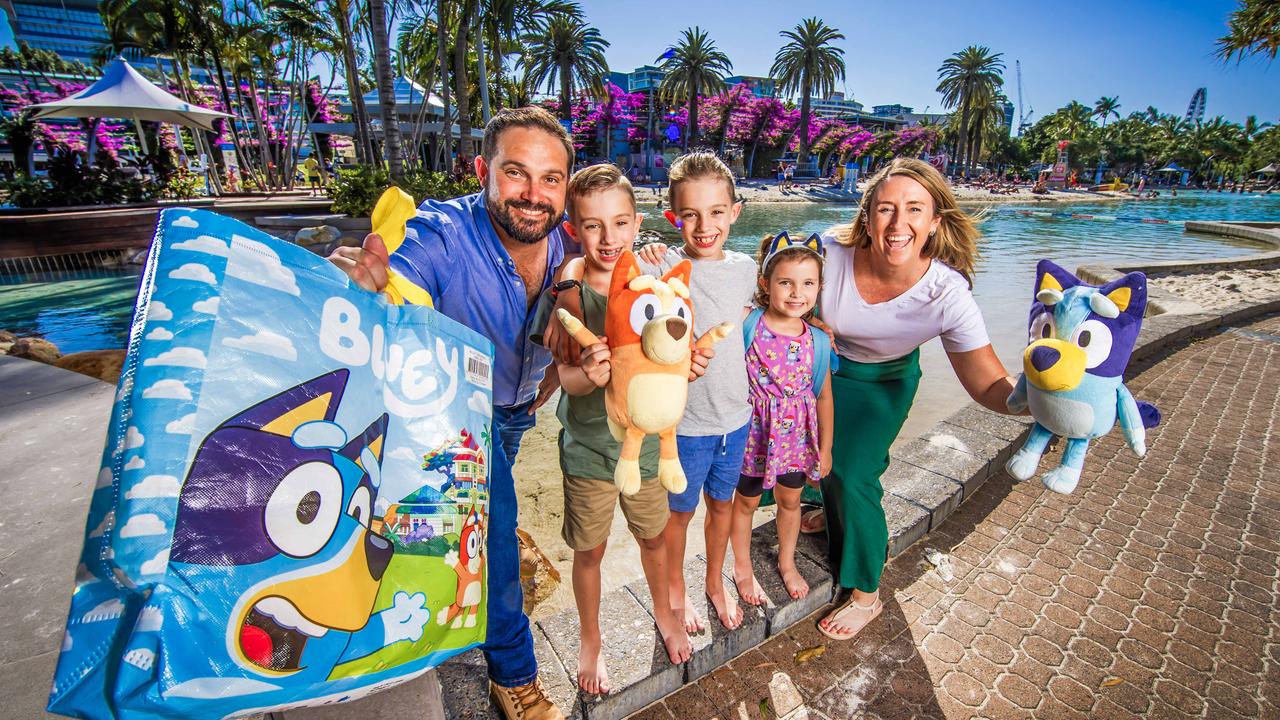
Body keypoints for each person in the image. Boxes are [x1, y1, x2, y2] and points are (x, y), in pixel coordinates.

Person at [328, 106, 573, 720]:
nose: (534, 194)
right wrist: (371, 283)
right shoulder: (443, 232)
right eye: (516, 173)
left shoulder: (569, 238)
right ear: (480, 170)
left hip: (517, 412)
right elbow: (402, 278)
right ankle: (513, 675)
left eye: (551, 178)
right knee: (488, 538)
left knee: (487, 512)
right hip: (457, 423)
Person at [807, 157, 1021, 641]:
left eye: (914, 210)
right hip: (823, 371)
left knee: (855, 472)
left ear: (933, 223)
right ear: (867, 217)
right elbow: (772, 294)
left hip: (884, 381)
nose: (898, 224)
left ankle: (866, 593)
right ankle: (829, 510)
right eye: (885, 209)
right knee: (811, 460)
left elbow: (987, 383)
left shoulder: (947, 293)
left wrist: (1035, 401)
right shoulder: (826, 252)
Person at [531, 164, 693, 695]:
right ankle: (590, 638)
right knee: (590, 551)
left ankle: (667, 614)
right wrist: (587, 374)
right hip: (587, 452)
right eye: (593, 226)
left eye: (620, 223)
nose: (609, 238)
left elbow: (677, 346)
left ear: (637, 222)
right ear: (573, 228)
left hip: (646, 452)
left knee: (654, 539)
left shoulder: (655, 281)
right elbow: (567, 379)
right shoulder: (572, 295)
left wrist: (693, 363)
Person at [635, 152, 758, 631]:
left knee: (722, 509)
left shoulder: (747, 268)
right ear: (673, 219)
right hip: (684, 426)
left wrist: (819, 333)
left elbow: (766, 315)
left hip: (736, 419)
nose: (704, 226)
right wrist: (645, 250)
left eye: (715, 213)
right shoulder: (664, 264)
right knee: (677, 517)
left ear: (734, 212)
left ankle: (714, 581)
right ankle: (677, 591)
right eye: (690, 215)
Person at [727, 232, 834, 606]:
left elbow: (822, 396)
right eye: (785, 282)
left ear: (820, 288)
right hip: (752, 434)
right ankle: (742, 568)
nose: (796, 293)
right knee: (745, 503)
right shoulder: (748, 324)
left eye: (807, 284)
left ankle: (787, 563)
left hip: (795, 439)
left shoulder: (818, 340)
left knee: (792, 501)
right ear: (764, 283)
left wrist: (826, 447)